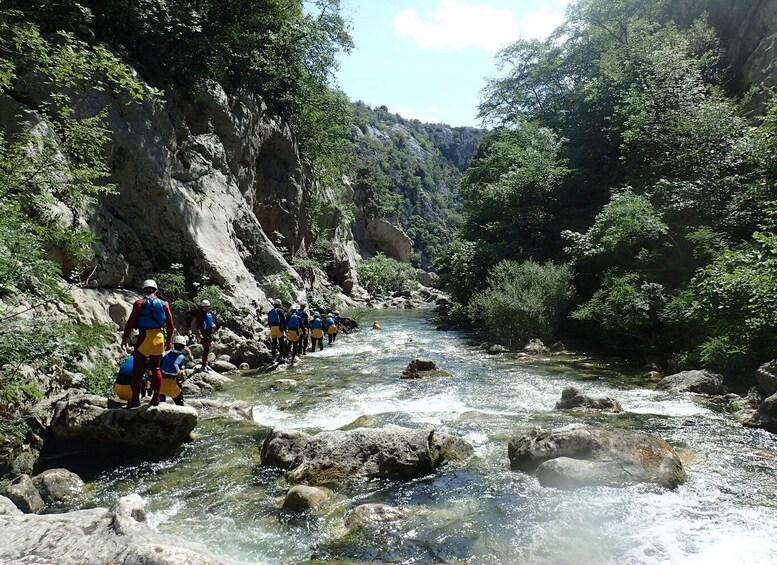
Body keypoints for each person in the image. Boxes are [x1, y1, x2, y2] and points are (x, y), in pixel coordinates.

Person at [121, 279, 175, 408]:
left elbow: (130, 322)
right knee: (156, 368)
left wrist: (125, 338)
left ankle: (135, 400)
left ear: (144, 290)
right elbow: (170, 325)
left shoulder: (139, 303)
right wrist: (169, 341)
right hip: (159, 337)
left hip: (145, 336)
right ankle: (156, 398)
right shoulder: (164, 304)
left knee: (138, 370)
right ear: (156, 290)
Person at [160, 335, 187, 405]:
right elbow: (179, 371)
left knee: (161, 404)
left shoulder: (166, 355)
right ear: (183, 346)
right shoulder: (181, 357)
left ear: (174, 344)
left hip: (161, 385)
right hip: (172, 386)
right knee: (181, 406)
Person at [195, 299, 217, 372]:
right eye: (204, 307)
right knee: (206, 349)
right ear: (202, 307)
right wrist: (199, 334)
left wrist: (213, 326)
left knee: (208, 349)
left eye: (207, 307)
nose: (206, 308)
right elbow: (197, 326)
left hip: (209, 334)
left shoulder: (209, 315)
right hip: (203, 334)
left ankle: (206, 364)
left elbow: (211, 324)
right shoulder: (200, 315)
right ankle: (203, 365)